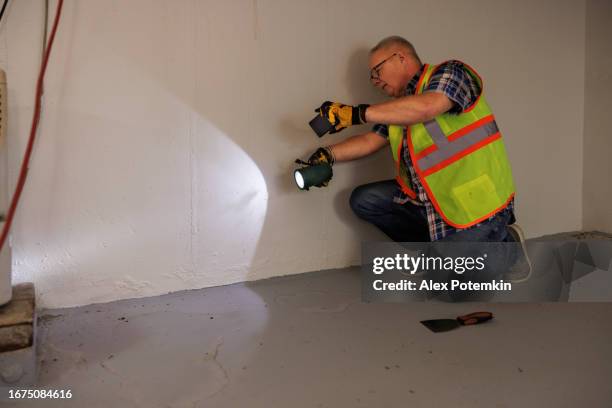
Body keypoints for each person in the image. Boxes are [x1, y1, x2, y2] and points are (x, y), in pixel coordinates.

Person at [306, 36, 531, 282]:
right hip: (431, 203)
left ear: (400, 57)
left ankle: (507, 246)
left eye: (377, 70)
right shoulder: (397, 108)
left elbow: (428, 106)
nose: (375, 80)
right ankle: (439, 255)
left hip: (478, 206)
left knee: (454, 290)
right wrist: (327, 154)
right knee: (365, 200)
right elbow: (370, 141)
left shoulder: (452, 74)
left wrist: (358, 113)